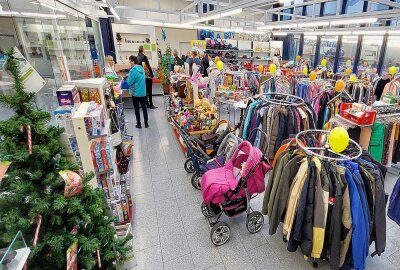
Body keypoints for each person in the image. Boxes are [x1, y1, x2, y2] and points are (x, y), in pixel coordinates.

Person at [128, 55, 148, 128]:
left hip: (136, 92)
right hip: (143, 91)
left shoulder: (133, 70)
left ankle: (139, 124)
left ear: (133, 61)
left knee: (137, 108)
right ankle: (146, 123)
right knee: (144, 108)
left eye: (130, 61)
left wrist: (128, 78)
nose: (129, 63)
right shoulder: (141, 68)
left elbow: (129, 82)